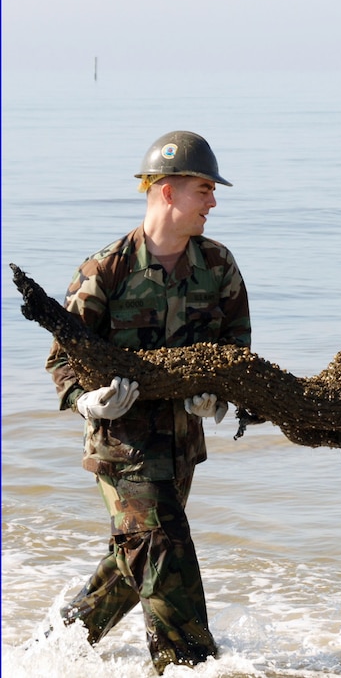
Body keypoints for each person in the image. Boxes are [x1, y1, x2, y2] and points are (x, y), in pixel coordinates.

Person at [45, 131, 251, 675]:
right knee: (163, 548)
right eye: (204, 188)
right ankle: (190, 666)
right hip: (122, 446)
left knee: (131, 562)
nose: (213, 201)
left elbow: (237, 353)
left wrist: (220, 398)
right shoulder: (106, 270)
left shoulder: (219, 266)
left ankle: (49, 653)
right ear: (166, 191)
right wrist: (87, 401)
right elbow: (60, 359)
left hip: (182, 445)